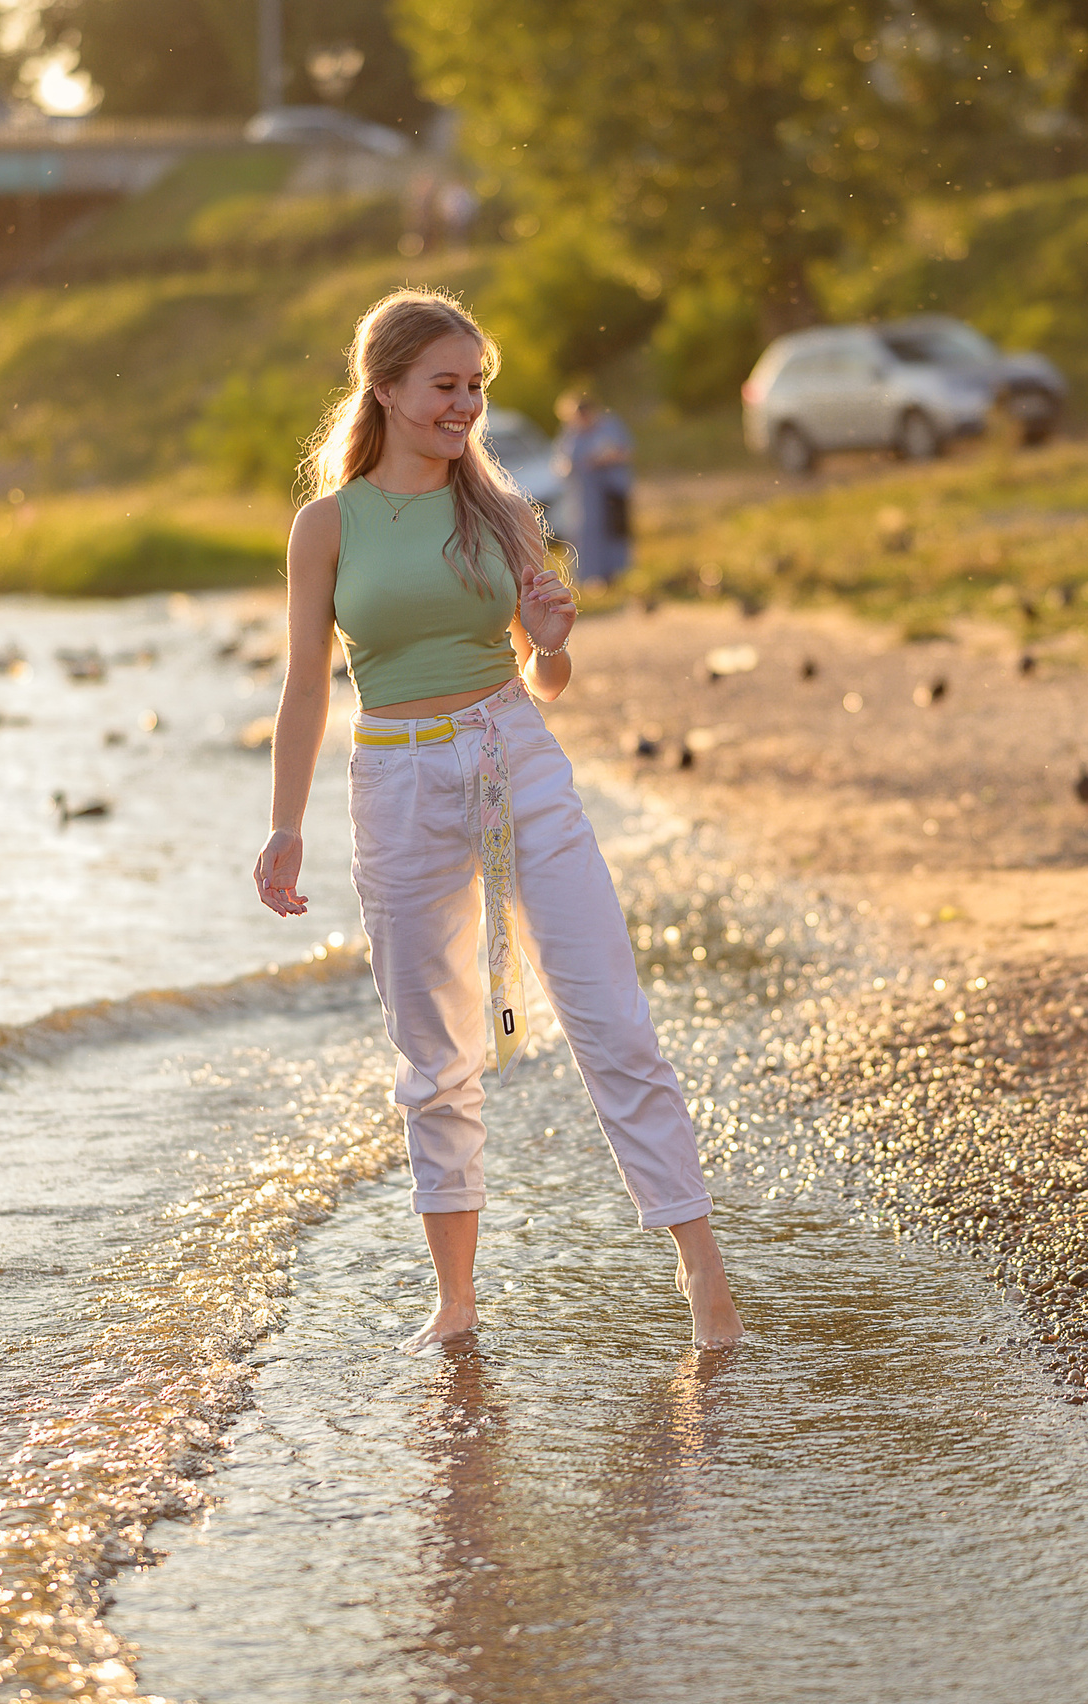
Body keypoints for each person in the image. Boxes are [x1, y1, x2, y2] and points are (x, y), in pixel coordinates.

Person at [252, 288, 743, 1353]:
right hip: (392, 783)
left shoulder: (502, 510)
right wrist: (283, 826)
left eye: (476, 385)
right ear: (381, 388)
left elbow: (548, 676)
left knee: (611, 1019)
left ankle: (705, 1282)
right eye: (445, 385)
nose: (464, 405)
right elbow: (305, 687)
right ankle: (457, 1302)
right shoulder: (324, 526)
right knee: (432, 1056)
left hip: (512, 757)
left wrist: (554, 641)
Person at [553, 391, 634, 588]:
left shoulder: (609, 426)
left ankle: (615, 576)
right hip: (583, 496)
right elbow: (561, 462)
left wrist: (602, 459)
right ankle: (587, 579)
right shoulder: (571, 433)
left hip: (609, 491)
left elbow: (624, 451)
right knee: (584, 534)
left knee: (613, 532)